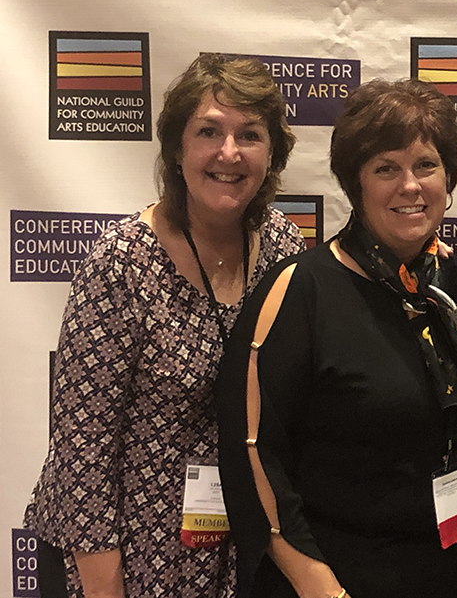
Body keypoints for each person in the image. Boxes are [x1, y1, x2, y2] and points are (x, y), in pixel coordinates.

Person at [23, 53, 306, 598]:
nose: (229, 153)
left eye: (249, 134)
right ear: (177, 150)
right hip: (124, 551)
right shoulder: (122, 263)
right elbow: (82, 453)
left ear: (272, 154)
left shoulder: (282, 248)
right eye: (208, 132)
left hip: (237, 544)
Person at [214, 78, 457, 598]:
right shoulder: (301, 290)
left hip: (441, 569)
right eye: (385, 168)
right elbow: (253, 453)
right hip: (332, 579)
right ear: (355, 183)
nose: (409, 186)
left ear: (448, 176)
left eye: (426, 165)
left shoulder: (454, 287)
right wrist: (318, 585)